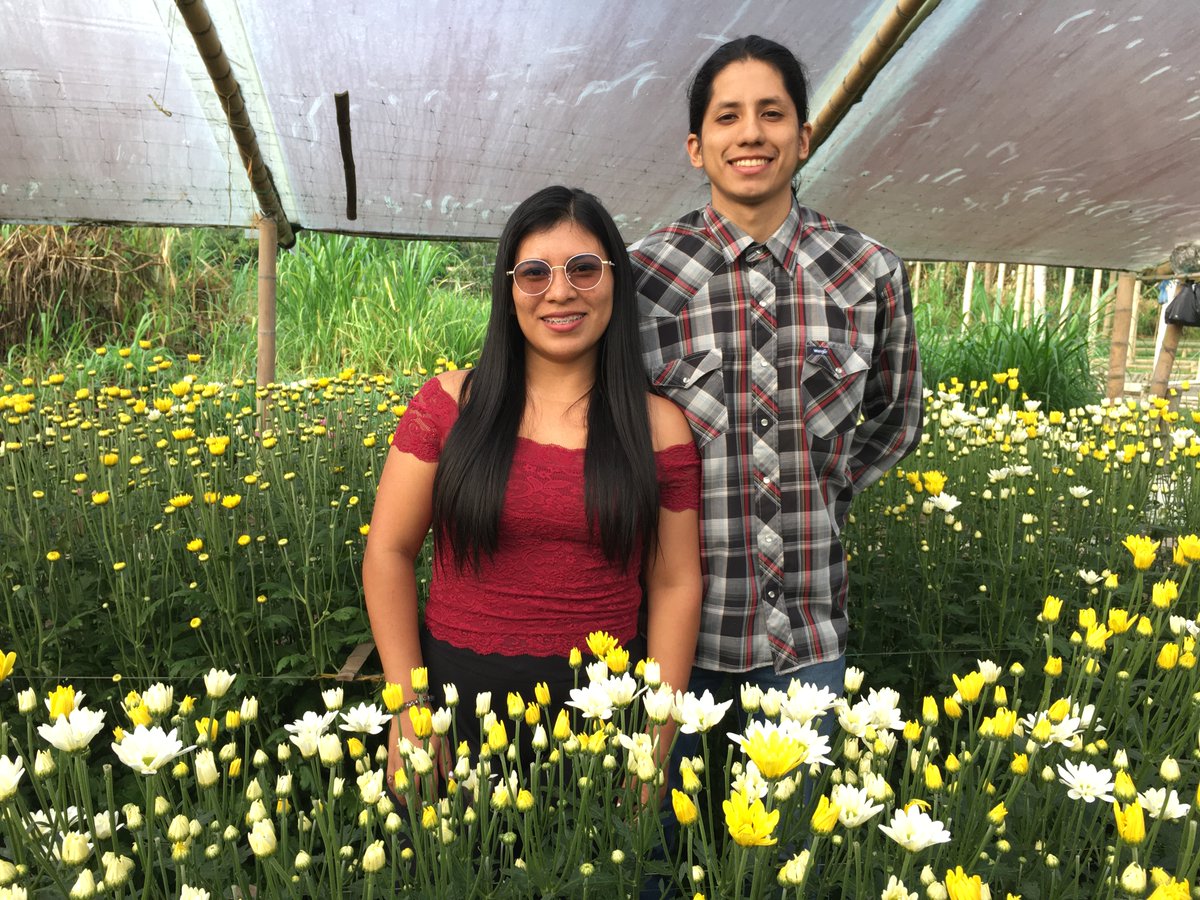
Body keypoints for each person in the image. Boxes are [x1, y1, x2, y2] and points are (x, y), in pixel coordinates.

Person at [364, 185, 702, 792]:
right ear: (508, 288)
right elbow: (387, 554)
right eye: (534, 273)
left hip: (603, 723)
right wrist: (409, 710)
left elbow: (675, 582)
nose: (561, 291)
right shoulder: (445, 406)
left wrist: (657, 735)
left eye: (584, 269)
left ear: (616, 282)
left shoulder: (658, 428)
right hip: (450, 711)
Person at [632, 36, 923, 722]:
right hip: (669, 640)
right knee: (657, 830)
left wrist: (826, 486)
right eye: (727, 117)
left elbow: (897, 416)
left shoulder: (868, 272)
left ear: (804, 136)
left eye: (772, 113)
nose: (751, 133)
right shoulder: (643, 277)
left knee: (800, 832)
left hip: (807, 641)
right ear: (697, 146)